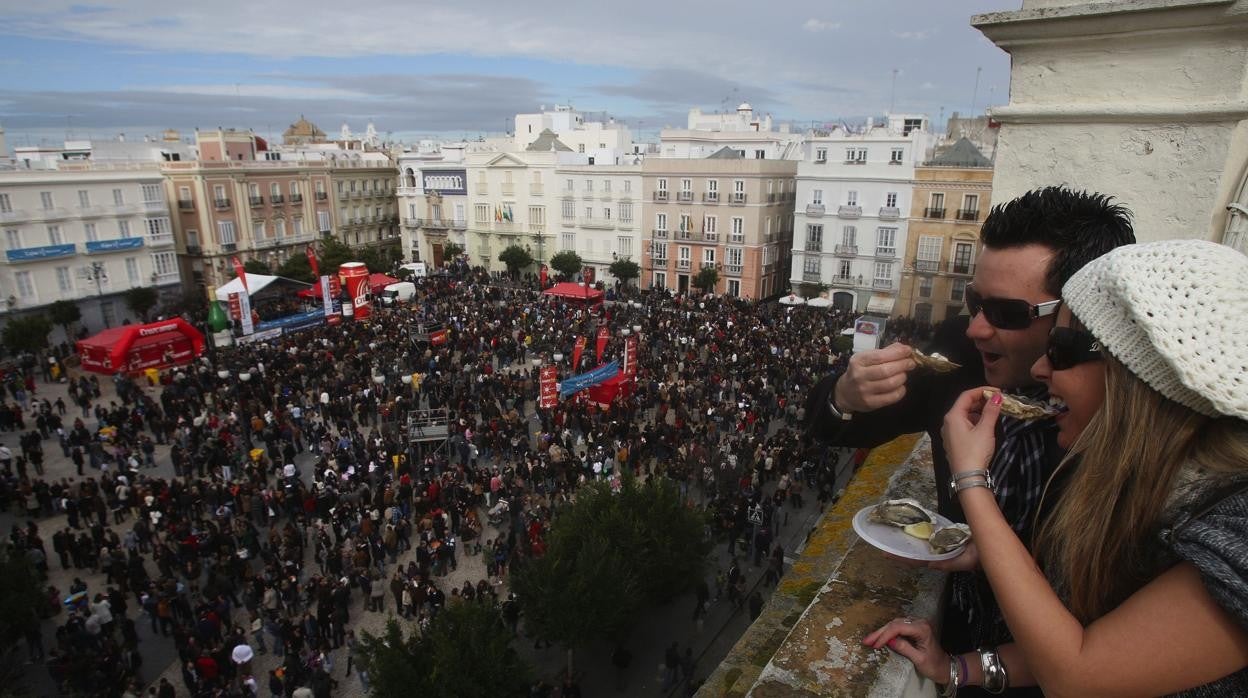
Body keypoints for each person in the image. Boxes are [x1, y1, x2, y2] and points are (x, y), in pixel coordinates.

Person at [867, 240, 1248, 695]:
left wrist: (971, 478)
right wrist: (956, 669)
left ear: (1136, 377)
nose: (1043, 368)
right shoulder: (1121, 475)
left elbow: (1080, 674)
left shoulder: (1236, 523)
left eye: (1063, 349)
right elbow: (1102, 639)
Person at [806, 187, 1135, 691]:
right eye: (975, 301)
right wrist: (847, 394)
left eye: (1007, 313)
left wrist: (970, 479)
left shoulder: (1130, 426)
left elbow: (1108, 628)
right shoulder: (960, 347)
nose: (979, 328)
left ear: (1081, 314)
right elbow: (833, 425)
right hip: (961, 637)